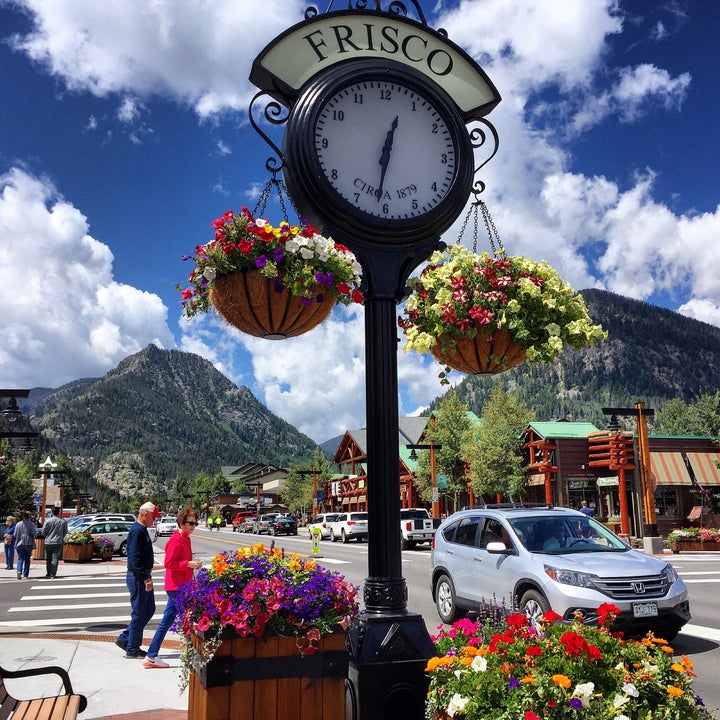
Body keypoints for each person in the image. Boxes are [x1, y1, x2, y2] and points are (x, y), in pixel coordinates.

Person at [144, 507, 202, 669]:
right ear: (182, 524)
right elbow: (168, 563)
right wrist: (188, 564)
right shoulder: (176, 540)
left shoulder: (185, 539)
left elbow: (182, 563)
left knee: (168, 621)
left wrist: (191, 568)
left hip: (182, 586)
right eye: (190, 523)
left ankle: (151, 656)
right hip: (176, 587)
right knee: (190, 619)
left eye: (195, 523)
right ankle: (193, 654)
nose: (193, 526)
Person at [116, 501, 159, 658]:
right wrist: (146, 577)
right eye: (153, 516)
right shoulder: (137, 531)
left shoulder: (141, 529)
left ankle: (126, 638)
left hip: (142, 575)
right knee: (140, 612)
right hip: (138, 576)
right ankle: (132, 648)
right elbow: (134, 557)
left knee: (149, 609)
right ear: (145, 514)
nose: (154, 520)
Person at [42, 506, 68, 579]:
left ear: (52, 512)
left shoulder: (48, 521)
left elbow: (43, 531)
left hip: (48, 542)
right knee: (55, 559)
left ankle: (48, 573)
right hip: (58, 541)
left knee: (48, 559)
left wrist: (46, 536)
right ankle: (53, 574)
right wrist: (61, 536)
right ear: (58, 512)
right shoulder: (63, 521)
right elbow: (65, 531)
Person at [14, 511, 37, 580]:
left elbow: (15, 534)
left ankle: (19, 571)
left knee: (20, 558)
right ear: (29, 516)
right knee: (27, 559)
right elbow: (34, 534)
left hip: (19, 543)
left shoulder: (18, 524)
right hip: (28, 543)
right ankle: (25, 574)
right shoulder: (32, 524)